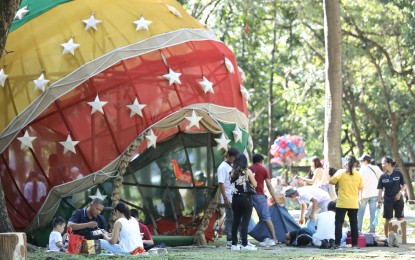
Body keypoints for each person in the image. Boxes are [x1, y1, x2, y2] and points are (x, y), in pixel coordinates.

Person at [329, 155, 363, 249]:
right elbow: (360, 187)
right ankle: (355, 244)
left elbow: (331, 181)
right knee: (354, 224)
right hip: (353, 203)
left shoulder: (340, 172)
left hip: (342, 202)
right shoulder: (358, 174)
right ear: (355, 163)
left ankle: (337, 244)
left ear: (346, 163)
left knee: (339, 223)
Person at [249, 154, 279, 246]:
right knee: (266, 217)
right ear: (261, 161)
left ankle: (243, 240)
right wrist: (275, 199)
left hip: (248, 196)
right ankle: (274, 238)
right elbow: (269, 185)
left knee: (246, 218)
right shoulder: (263, 169)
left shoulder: (248, 169)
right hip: (259, 196)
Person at [229, 153, 257, 251]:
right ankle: (244, 244)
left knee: (235, 221)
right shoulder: (247, 171)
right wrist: (252, 176)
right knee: (245, 222)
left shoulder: (232, 172)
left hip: (235, 199)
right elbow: (255, 184)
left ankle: (234, 244)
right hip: (246, 199)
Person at [377, 156, 407, 238]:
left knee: (400, 218)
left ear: (389, 164)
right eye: (382, 163)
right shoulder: (382, 176)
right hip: (387, 201)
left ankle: (401, 238)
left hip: (399, 200)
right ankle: (387, 238)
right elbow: (380, 190)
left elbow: (404, 185)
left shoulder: (398, 173)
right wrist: (379, 201)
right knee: (387, 219)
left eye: (384, 163)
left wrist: (400, 193)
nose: (382, 165)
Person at [217, 147, 239, 249]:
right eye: (233, 157)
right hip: (228, 197)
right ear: (229, 156)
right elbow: (221, 183)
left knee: (235, 218)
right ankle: (230, 240)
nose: (234, 159)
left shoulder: (232, 166)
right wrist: (225, 198)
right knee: (230, 219)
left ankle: (234, 239)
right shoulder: (222, 167)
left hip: (235, 196)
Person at [357, 154, 382, 234]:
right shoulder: (376, 168)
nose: (360, 162)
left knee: (360, 213)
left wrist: (359, 195)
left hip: (364, 194)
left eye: (361, 161)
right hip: (375, 194)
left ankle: (358, 230)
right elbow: (382, 178)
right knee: (373, 214)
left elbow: (359, 184)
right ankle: (372, 231)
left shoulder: (362, 170)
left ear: (365, 161)